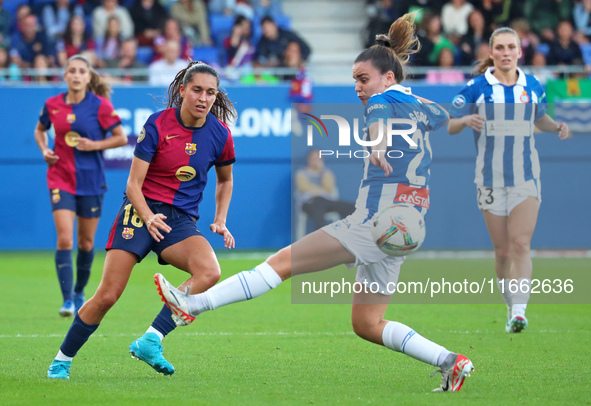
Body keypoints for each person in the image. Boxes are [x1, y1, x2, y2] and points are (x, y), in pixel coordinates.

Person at [155, 12, 475, 392]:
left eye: (363, 78)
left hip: (374, 220)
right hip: (403, 227)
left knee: (279, 264)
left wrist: (376, 146)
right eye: (354, 79)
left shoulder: (380, 100)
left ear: (388, 78)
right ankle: (450, 361)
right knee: (367, 324)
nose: (358, 87)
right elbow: (448, 121)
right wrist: (468, 119)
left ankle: (191, 305)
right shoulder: (421, 105)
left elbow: (376, 126)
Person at [46, 61, 236, 379]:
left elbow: (226, 180)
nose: (204, 98)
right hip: (139, 211)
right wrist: (147, 217)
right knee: (108, 294)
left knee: (209, 271)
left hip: (178, 220)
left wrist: (220, 219)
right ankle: (61, 360)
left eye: (211, 92)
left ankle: (152, 339)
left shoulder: (220, 134)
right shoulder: (158, 124)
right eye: (197, 90)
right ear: (182, 90)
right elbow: (133, 185)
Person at [447, 27, 570, 334]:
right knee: (502, 253)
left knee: (520, 243)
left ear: (519, 51)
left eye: (510, 47)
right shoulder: (477, 87)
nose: (505, 52)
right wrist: (464, 120)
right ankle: (509, 304)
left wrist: (556, 127)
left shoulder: (532, 85)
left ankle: (520, 310)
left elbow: (540, 116)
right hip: (489, 180)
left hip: (526, 177)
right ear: (491, 53)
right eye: (499, 47)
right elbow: (450, 123)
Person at [34, 55, 128, 318]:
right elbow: (40, 130)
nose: (76, 75)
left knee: (86, 243)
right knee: (65, 238)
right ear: (65, 75)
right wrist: (44, 149)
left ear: (88, 77)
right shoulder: (52, 105)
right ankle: (66, 301)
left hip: (91, 181)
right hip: (60, 177)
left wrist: (95, 145)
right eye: (71, 71)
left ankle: (78, 291)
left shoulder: (100, 106)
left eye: (81, 71)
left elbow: (121, 137)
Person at [296, 149, 355, 232]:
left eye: (318, 158)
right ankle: (320, 241)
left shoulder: (327, 173)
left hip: (326, 201)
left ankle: (349, 234)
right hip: (310, 202)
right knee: (319, 208)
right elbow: (303, 187)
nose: (315, 161)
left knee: (352, 207)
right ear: (309, 159)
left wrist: (322, 170)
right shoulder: (301, 173)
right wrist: (321, 190)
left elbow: (328, 188)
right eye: (313, 158)